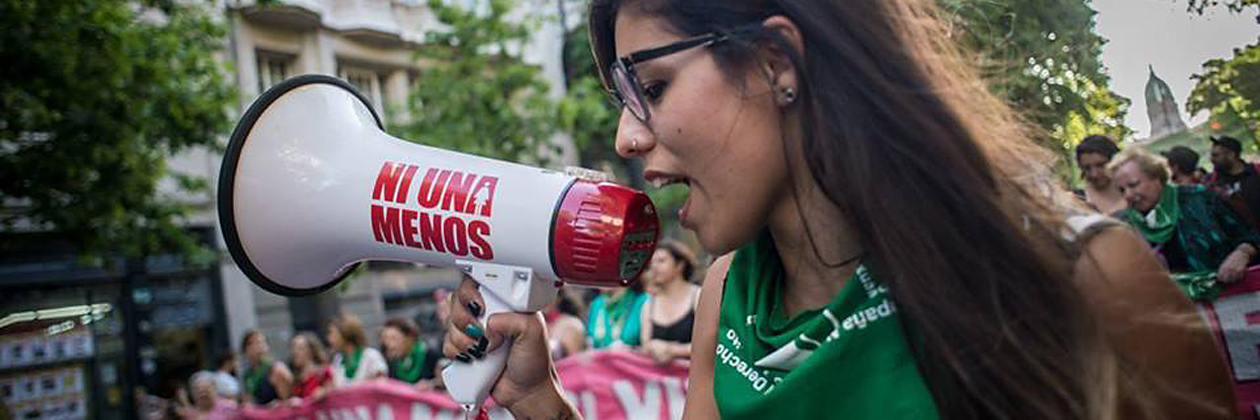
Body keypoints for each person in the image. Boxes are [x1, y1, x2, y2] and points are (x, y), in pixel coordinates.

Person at [441, 0, 1238, 419]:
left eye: (650, 89)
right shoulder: (729, 296)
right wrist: (540, 401)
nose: (624, 136)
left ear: (776, 60)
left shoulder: (1089, 277)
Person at [1110, 147, 1260, 299]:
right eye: (1122, 190)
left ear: (1156, 177)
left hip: (1233, 300)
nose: (1128, 195)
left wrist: (1242, 253)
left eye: (1133, 185)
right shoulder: (1124, 227)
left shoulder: (1199, 199)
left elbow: (1250, 236)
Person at [639, 240, 700, 364]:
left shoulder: (698, 296)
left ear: (679, 265)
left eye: (661, 261)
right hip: (660, 380)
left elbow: (709, 345)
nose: (654, 267)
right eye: (652, 263)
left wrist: (672, 350)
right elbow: (645, 346)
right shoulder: (649, 304)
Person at [1207, 135, 1260, 228]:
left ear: (1231, 155)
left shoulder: (1257, 172)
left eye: (1216, 155)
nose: (1211, 159)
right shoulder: (1215, 185)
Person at [585, 277, 650, 349]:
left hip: (630, 359)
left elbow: (649, 349)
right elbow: (590, 341)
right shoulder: (597, 304)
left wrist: (630, 349)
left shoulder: (643, 302)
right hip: (599, 358)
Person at [327, 313, 388, 387]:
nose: (329, 338)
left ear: (346, 334)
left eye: (332, 333)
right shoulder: (338, 359)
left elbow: (382, 386)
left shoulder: (370, 355)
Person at [380, 318, 442, 388]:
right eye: (385, 339)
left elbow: (443, 381)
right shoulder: (392, 362)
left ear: (409, 338)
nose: (390, 345)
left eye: (394, 339)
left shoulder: (429, 355)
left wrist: (431, 384)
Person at [1075, 135, 1126, 214]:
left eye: (1100, 165)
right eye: (1087, 168)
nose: (1094, 174)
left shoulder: (1134, 196)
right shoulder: (1076, 200)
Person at [239, 329, 292, 406]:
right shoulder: (248, 374)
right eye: (252, 343)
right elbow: (248, 399)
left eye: (261, 342)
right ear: (246, 349)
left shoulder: (276, 368)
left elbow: (287, 400)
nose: (259, 346)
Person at [288, 332, 332, 401]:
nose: (295, 352)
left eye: (300, 348)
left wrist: (324, 392)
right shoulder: (297, 378)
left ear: (311, 351)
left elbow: (335, 393)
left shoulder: (324, 372)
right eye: (293, 348)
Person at [544, 290, 587, 360]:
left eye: (546, 294)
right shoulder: (532, 325)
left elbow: (572, 362)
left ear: (558, 298)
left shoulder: (571, 325)